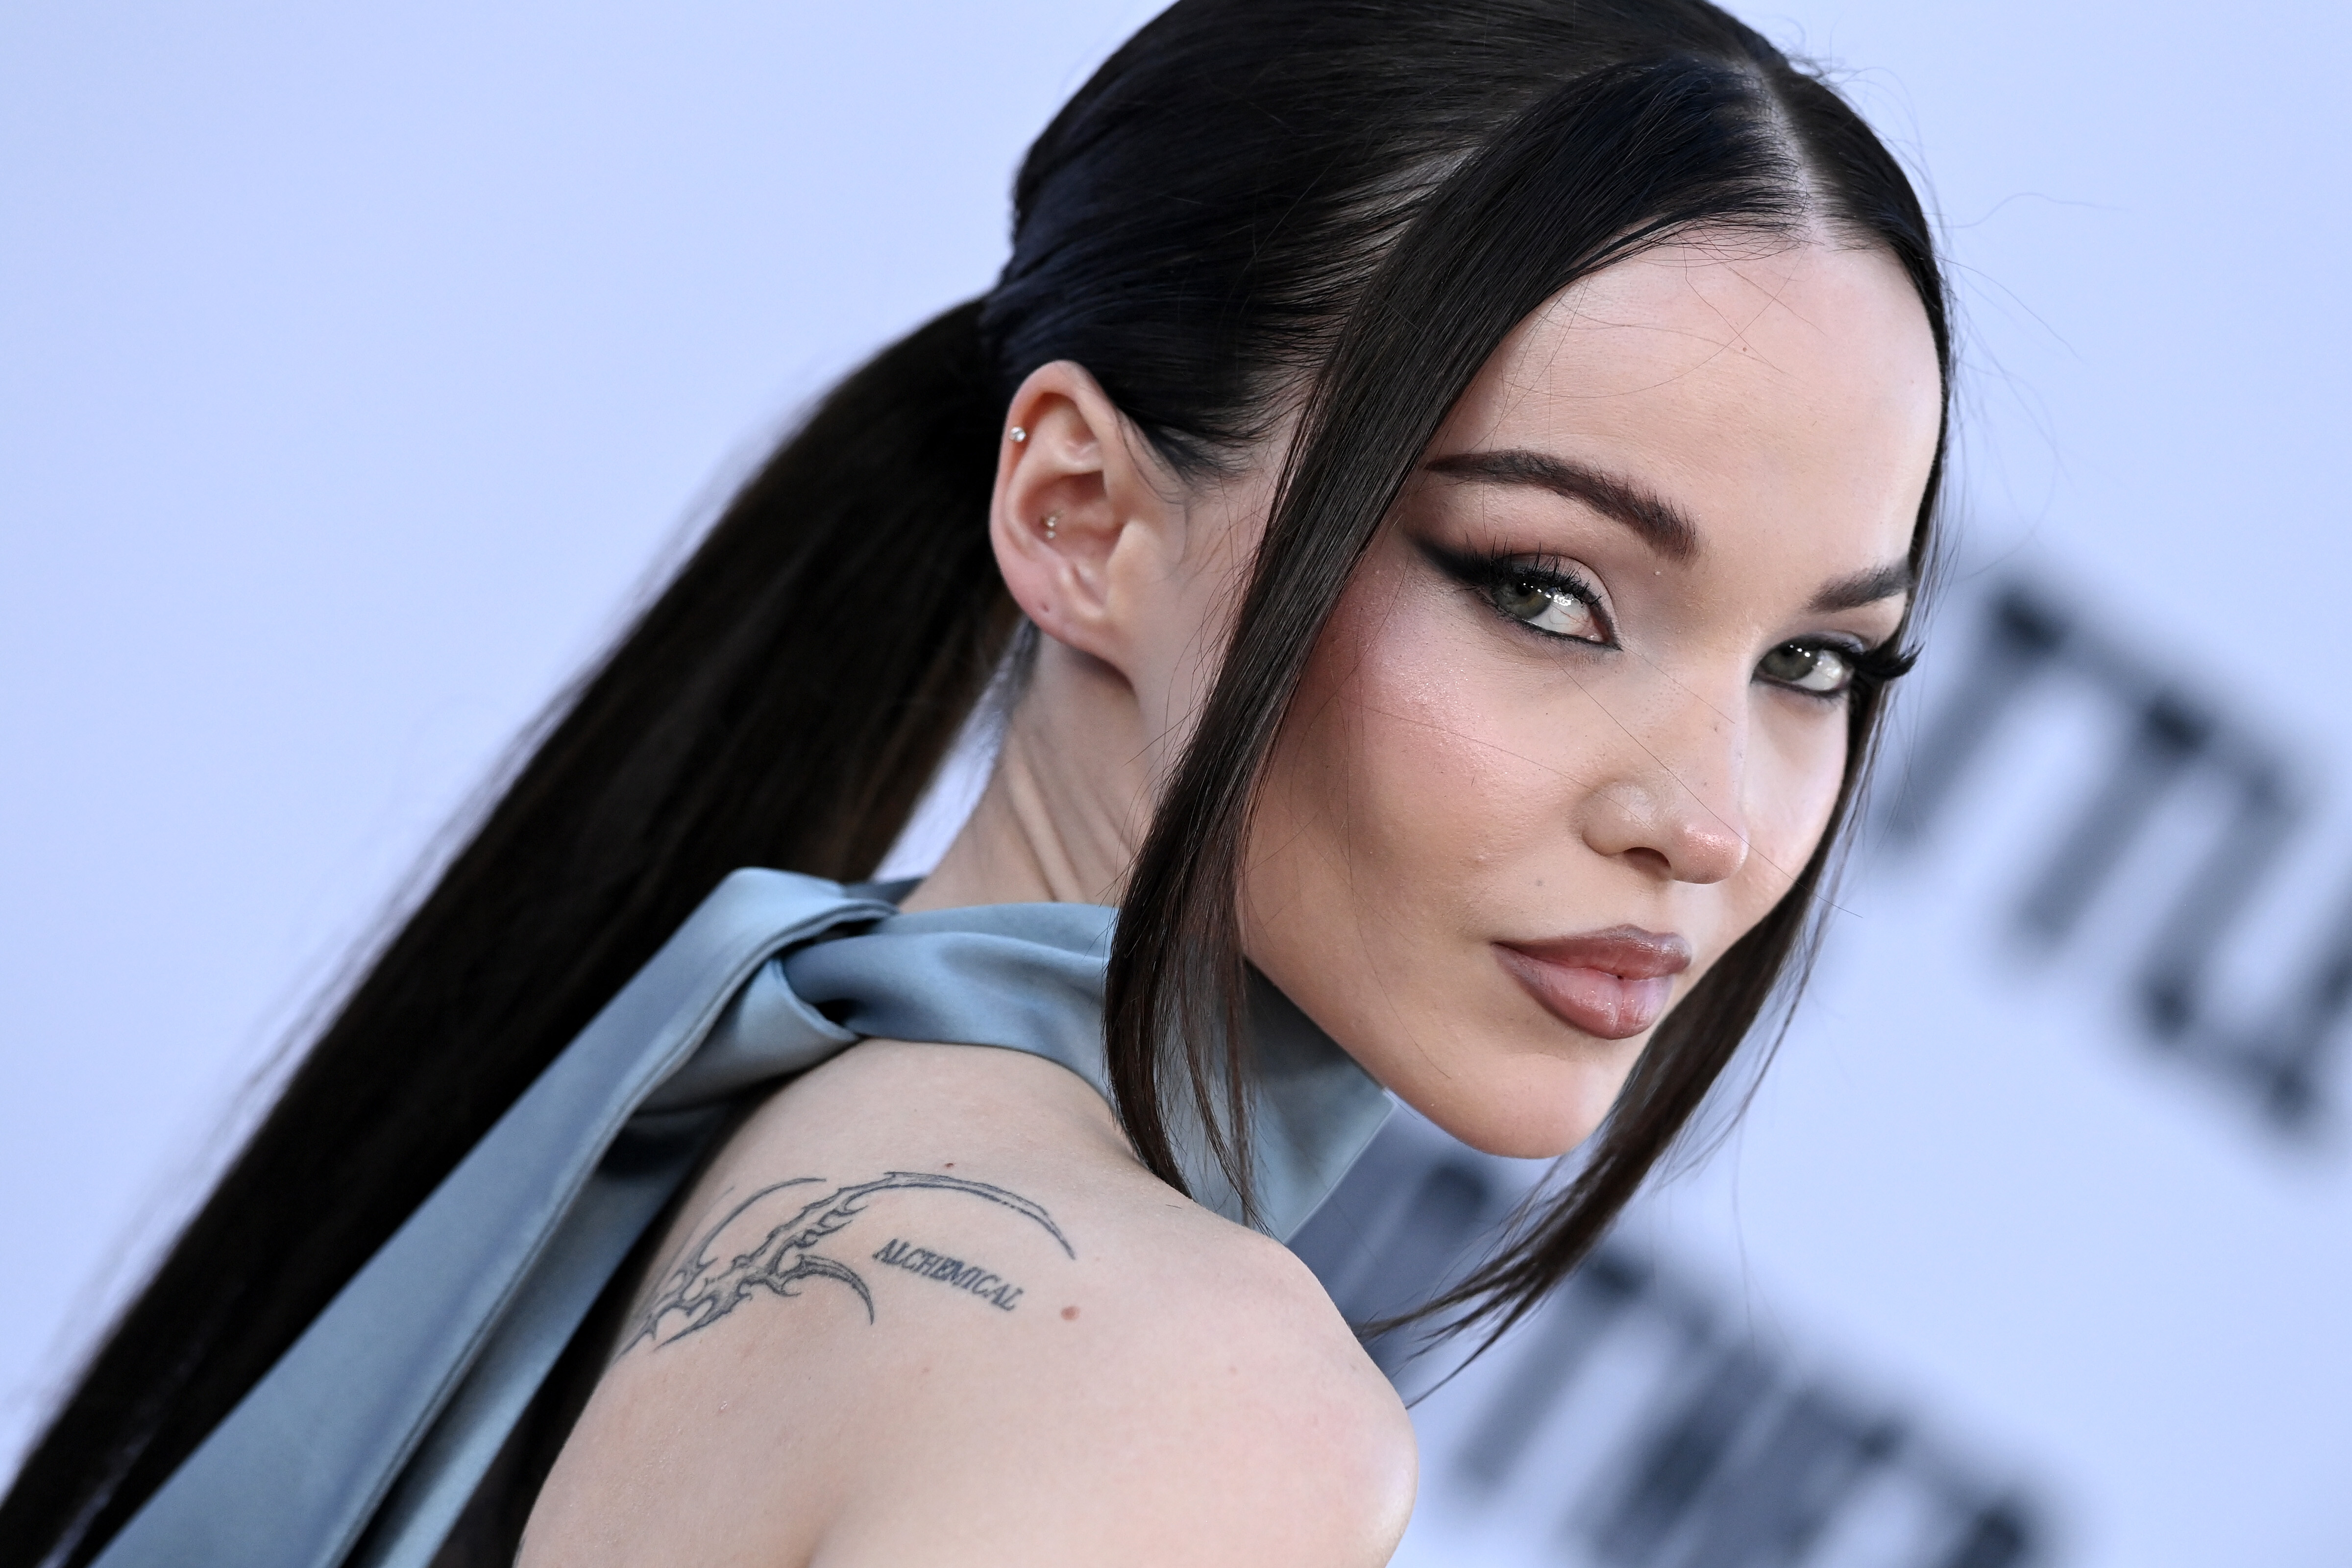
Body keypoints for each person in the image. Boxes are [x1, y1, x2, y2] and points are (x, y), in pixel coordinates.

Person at [1, 1, 1950, 1564]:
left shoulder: (740, 1119)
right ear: (1080, 511)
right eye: (1544, 590)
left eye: (1819, 662)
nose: (1712, 819)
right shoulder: (1180, 1391)